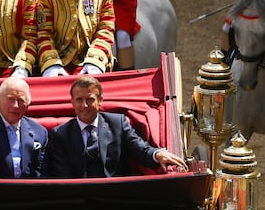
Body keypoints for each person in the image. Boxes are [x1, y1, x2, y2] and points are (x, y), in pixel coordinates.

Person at [45, 76, 186, 178]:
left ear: (100, 101)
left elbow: (140, 149)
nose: (84, 105)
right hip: (78, 199)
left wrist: (157, 154)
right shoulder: (61, 134)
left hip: (115, 195)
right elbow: (62, 175)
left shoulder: (117, 123)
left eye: (90, 99)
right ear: (72, 102)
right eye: (79, 100)